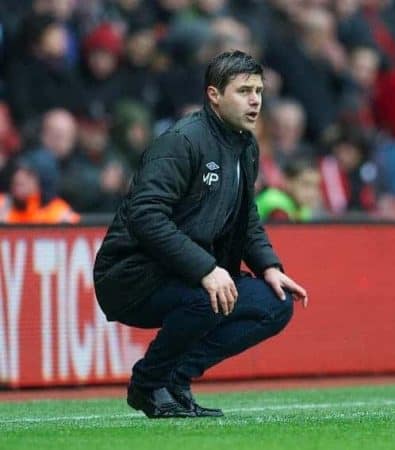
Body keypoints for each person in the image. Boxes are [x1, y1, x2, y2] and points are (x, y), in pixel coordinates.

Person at [93, 50, 307, 419]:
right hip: (130, 276)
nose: (255, 100)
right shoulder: (182, 141)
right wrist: (206, 269)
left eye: (258, 90)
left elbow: (246, 215)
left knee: (275, 304)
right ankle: (148, 385)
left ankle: (175, 379)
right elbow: (146, 216)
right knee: (208, 296)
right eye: (243, 91)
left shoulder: (245, 145)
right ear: (214, 95)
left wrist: (268, 265)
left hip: (182, 273)